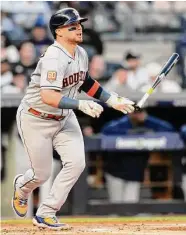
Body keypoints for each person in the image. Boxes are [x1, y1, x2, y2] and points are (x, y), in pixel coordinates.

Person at [12, 8, 135, 230]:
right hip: (35, 118)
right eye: (72, 25)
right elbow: (48, 96)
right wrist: (80, 104)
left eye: (79, 24)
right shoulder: (53, 57)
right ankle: (22, 187)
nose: (79, 28)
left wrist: (111, 99)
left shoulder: (81, 53)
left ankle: (47, 212)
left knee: (77, 163)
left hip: (63, 117)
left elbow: (85, 82)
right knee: (41, 174)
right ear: (58, 32)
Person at [101, 108, 175, 203]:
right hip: (115, 172)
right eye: (135, 112)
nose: (137, 115)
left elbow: (170, 129)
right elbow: (105, 130)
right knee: (116, 206)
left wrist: (148, 119)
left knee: (130, 208)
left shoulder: (148, 124)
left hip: (135, 174)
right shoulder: (122, 124)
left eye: (140, 112)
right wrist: (130, 129)